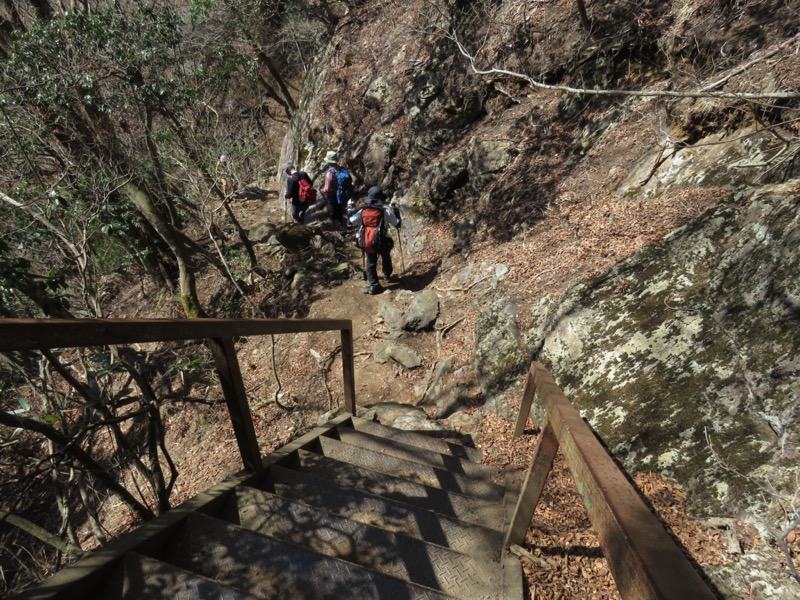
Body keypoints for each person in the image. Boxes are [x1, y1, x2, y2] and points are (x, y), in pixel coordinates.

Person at [349, 186, 401, 295]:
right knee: (386, 255)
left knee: (371, 262)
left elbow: (351, 221)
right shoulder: (385, 211)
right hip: (381, 241)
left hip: (368, 241)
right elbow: (397, 224)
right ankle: (387, 274)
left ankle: (374, 284)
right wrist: (396, 211)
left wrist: (349, 209)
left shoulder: (363, 211)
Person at [319, 150, 352, 235]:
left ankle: (341, 232)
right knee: (340, 212)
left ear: (329, 162)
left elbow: (327, 189)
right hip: (342, 195)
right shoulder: (342, 169)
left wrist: (321, 190)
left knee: (333, 214)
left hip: (332, 196)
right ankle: (342, 228)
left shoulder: (330, 173)